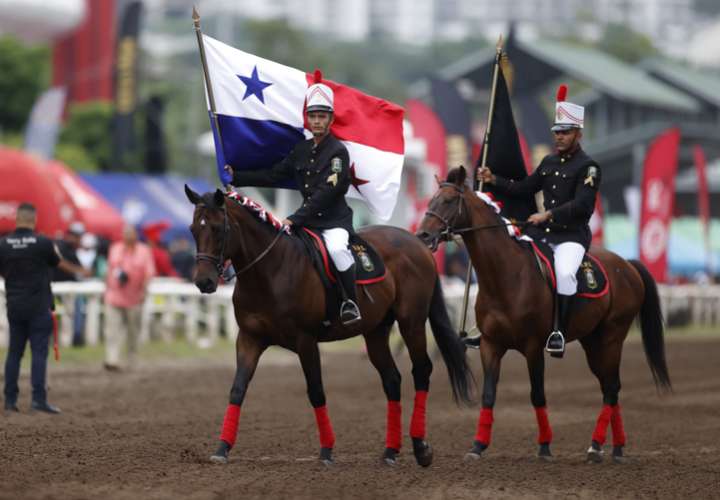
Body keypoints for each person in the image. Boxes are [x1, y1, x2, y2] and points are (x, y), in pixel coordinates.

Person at [224, 72, 361, 325]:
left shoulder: (338, 153)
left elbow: (325, 194)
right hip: (307, 224)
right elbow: (274, 175)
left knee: (337, 251)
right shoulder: (301, 150)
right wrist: (237, 177)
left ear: (330, 120)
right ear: (307, 120)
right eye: (313, 116)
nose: (317, 121)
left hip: (333, 223)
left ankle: (349, 302)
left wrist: (294, 219)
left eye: (322, 116)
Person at [475, 84, 601, 357]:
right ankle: (494, 325)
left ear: (578, 134)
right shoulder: (548, 162)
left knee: (566, 273)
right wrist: (492, 179)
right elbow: (524, 188)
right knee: (509, 259)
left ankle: (558, 331)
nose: (559, 137)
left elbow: (583, 205)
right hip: (543, 233)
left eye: (565, 133)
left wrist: (549, 214)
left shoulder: (589, 167)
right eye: (556, 132)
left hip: (571, 236)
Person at [1, 203, 88, 413]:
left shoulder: (3, 244)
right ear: (34, 219)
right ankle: (38, 400)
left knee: (14, 353)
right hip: (39, 305)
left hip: (14, 305)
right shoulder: (42, 243)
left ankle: (10, 400)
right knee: (39, 353)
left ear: (16, 219)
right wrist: (80, 270)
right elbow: (58, 263)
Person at [103, 224, 155, 371]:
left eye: (131, 233)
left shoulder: (144, 251)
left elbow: (149, 273)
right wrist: (106, 287)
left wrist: (144, 291)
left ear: (136, 235)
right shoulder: (115, 249)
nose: (128, 236)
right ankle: (112, 359)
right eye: (125, 233)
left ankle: (132, 359)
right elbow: (109, 270)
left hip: (135, 298)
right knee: (112, 329)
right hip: (114, 296)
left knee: (133, 331)